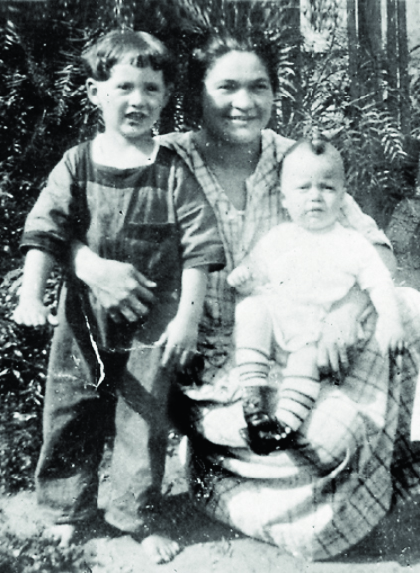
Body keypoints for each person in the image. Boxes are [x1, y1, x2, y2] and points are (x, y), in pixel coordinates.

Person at [69, 31, 420, 560]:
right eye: (227, 86)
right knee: (335, 437)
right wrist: (90, 266)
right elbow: (62, 223)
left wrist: (348, 311)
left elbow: (375, 248)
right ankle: (221, 483)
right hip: (213, 365)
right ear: (197, 93)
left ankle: (376, 475)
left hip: (306, 343)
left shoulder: (295, 160)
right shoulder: (160, 161)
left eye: (259, 86)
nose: (244, 102)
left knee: (409, 310)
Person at [12, 29, 225, 564]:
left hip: (153, 326)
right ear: (94, 92)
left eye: (151, 88)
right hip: (81, 320)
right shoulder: (77, 164)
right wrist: (31, 297)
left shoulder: (172, 172)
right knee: (70, 410)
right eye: (123, 86)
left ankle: (137, 519)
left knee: (143, 421)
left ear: (166, 97)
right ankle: (66, 510)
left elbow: (201, 251)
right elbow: (46, 232)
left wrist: (187, 321)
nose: (137, 100)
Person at [227, 136, 405, 456]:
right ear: (283, 199)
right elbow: (255, 273)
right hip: (277, 327)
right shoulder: (279, 237)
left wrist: (391, 320)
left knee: (305, 360)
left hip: (317, 334)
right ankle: (252, 401)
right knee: (252, 310)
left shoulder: (351, 243)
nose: (315, 197)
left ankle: (283, 425)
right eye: (303, 188)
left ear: (342, 196)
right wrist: (244, 277)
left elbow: (379, 280)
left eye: (327, 188)